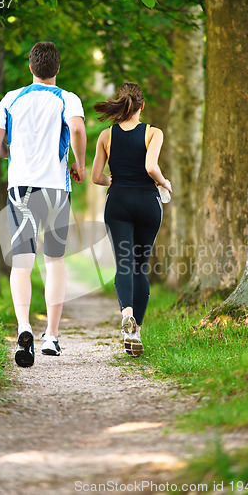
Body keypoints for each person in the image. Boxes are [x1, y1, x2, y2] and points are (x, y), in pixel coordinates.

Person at [0, 41, 86, 368]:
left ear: (31, 67)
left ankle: (23, 326)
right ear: (57, 68)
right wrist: (80, 163)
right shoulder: (67, 98)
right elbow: (77, 128)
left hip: (20, 189)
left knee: (22, 263)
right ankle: (52, 337)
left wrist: (11, 155)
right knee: (54, 262)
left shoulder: (11, 99)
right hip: (56, 188)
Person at [92, 82, 172, 357]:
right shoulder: (153, 133)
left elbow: (95, 177)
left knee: (124, 263)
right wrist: (165, 182)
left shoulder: (106, 135)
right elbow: (151, 167)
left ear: (120, 105)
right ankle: (136, 330)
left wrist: (113, 179)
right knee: (140, 265)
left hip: (118, 203)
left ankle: (126, 313)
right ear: (142, 105)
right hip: (148, 204)